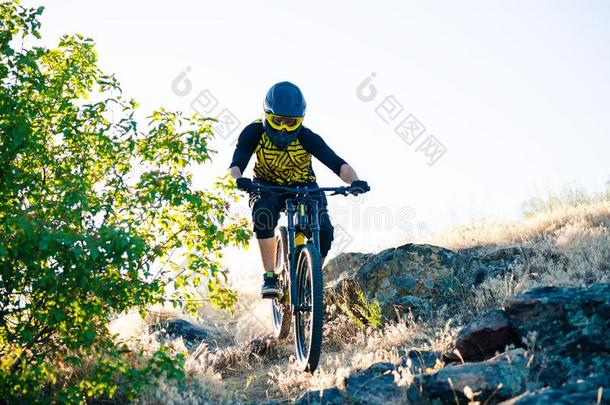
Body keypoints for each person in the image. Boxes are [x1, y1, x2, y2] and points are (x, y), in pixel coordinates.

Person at [228, 81, 369, 298]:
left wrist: (355, 181)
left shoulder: (306, 137)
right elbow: (236, 164)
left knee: (324, 232)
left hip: (303, 186)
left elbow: (337, 163)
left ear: (300, 120)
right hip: (266, 185)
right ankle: (270, 277)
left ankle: (310, 278)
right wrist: (239, 180)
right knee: (263, 214)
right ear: (267, 115)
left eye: (291, 122)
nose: (284, 127)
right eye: (278, 120)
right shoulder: (254, 132)